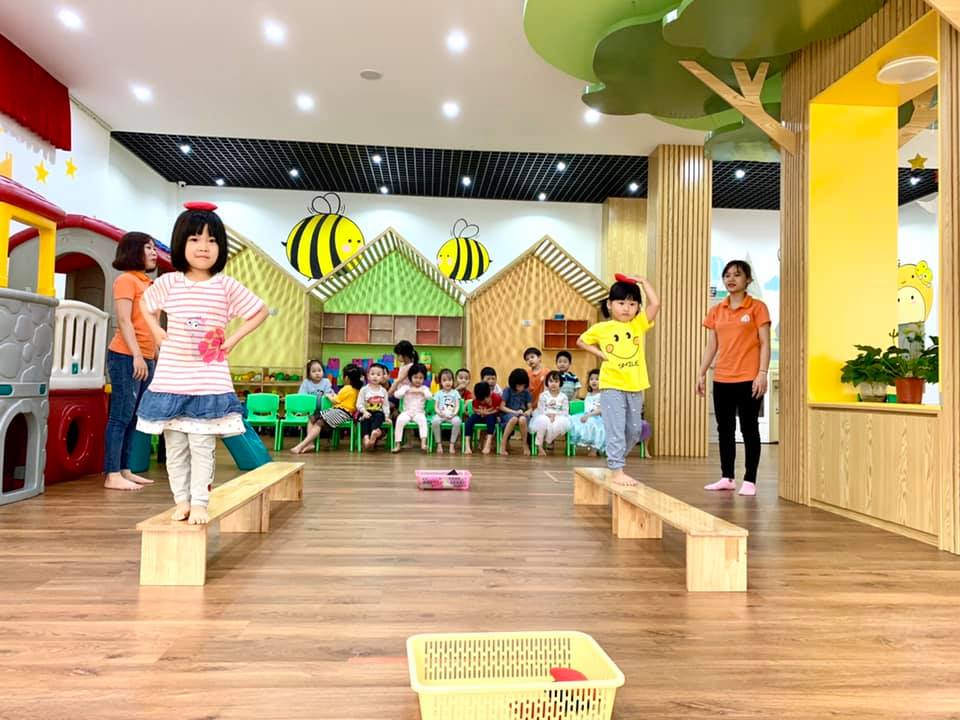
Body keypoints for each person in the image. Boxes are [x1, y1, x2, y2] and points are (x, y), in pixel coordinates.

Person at [136, 202, 268, 523]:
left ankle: (200, 503)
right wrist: (155, 329)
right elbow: (145, 304)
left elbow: (260, 310)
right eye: (194, 239)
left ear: (220, 247)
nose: (203, 247)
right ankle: (180, 500)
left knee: (202, 446)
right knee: (175, 447)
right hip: (171, 379)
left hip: (209, 380)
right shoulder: (169, 283)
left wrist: (233, 340)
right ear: (181, 243)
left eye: (211, 240)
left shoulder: (226, 285)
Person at [697, 260, 771, 496]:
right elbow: (712, 346)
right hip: (722, 378)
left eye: (737, 275)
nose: (731, 279)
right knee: (725, 429)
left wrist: (762, 373)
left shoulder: (757, 308)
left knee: (749, 429)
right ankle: (727, 477)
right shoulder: (716, 310)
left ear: (747, 280)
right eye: (727, 275)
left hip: (749, 378)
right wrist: (701, 372)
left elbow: (765, 343)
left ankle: (750, 480)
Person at [577, 275, 660, 485]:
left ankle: (614, 459)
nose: (626, 308)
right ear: (610, 304)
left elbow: (656, 304)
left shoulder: (638, 324)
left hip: (635, 386)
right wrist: (600, 354)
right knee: (615, 428)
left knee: (634, 430)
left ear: (638, 307)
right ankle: (617, 470)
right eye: (621, 303)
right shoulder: (602, 328)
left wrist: (644, 282)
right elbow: (581, 341)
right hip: (611, 386)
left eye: (632, 304)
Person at [104, 231, 160, 491]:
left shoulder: (149, 284)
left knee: (135, 416)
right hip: (126, 356)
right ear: (134, 251)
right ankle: (112, 474)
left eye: (154, 248)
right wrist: (137, 355)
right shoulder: (126, 280)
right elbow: (124, 321)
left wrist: (155, 353)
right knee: (120, 415)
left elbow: (153, 325)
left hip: (146, 357)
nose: (153, 252)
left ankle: (124, 469)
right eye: (148, 248)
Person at [291, 365, 363, 454]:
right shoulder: (356, 389)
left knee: (318, 422)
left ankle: (302, 445)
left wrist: (329, 396)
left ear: (347, 378)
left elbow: (335, 400)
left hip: (341, 412)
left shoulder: (347, 388)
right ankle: (309, 443)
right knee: (312, 418)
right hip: (342, 413)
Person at [529, 371, 571, 454]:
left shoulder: (563, 397)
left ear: (560, 383)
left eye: (556, 381)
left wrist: (555, 416)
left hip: (559, 417)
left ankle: (548, 440)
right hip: (544, 415)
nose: (553, 384)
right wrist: (548, 415)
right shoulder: (543, 395)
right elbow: (540, 409)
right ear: (547, 383)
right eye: (551, 381)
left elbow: (565, 411)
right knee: (543, 421)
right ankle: (539, 446)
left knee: (561, 423)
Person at [393, 363, 432, 452]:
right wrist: (405, 391)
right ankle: (397, 445)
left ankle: (423, 443)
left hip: (419, 413)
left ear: (424, 378)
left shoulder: (424, 388)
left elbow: (430, 397)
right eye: (415, 377)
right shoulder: (406, 387)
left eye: (421, 378)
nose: (418, 380)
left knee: (423, 421)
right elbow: (396, 395)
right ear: (410, 377)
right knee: (400, 420)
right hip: (406, 412)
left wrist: (422, 392)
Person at [568, 368, 605, 457]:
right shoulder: (589, 394)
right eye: (591, 379)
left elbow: (601, 409)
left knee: (593, 425)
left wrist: (589, 415)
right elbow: (587, 405)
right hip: (586, 415)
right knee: (571, 420)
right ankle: (575, 446)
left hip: (597, 417)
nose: (594, 381)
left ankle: (594, 449)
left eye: (597, 379)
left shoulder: (603, 395)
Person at [498, 368, 532, 456]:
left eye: (523, 385)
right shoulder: (507, 390)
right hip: (508, 415)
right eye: (519, 385)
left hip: (522, 415)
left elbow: (530, 408)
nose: (521, 388)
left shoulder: (526, 392)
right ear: (513, 384)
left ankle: (525, 444)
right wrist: (514, 412)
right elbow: (502, 407)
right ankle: (503, 444)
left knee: (522, 419)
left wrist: (528, 412)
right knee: (514, 419)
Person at [357, 363, 391, 450]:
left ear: (382, 377)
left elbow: (385, 405)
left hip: (378, 412)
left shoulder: (383, 391)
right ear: (368, 376)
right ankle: (366, 438)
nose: (375, 376)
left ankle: (374, 432)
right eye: (372, 374)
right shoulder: (364, 389)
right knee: (365, 419)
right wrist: (364, 412)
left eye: (378, 375)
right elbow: (359, 404)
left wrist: (386, 416)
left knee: (379, 415)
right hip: (366, 411)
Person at [464, 381, 500, 455]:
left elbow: (497, 410)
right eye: (481, 400)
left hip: (490, 415)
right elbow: (474, 408)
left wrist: (488, 413)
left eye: (484, 399)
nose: (483, 402)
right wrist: (480, 412)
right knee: (469, 421)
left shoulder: (496, 397)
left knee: (491, 419)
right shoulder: (476, 398)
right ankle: (467, 446)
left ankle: (488, 444)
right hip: (479, 414)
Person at [431, 368, 462, 454]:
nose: (447, 382)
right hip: (441, 414)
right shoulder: (438, 393)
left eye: (450, 380)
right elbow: (436, 407)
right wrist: (439, 413)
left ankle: (452, 444)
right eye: (444, 380)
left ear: (453, 381)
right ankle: (439, 444)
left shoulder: (455, 392)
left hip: (452, 415)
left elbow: (457, 405)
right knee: (435, 421)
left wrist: (454, 413)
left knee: (457, 422)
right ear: (440, 382)